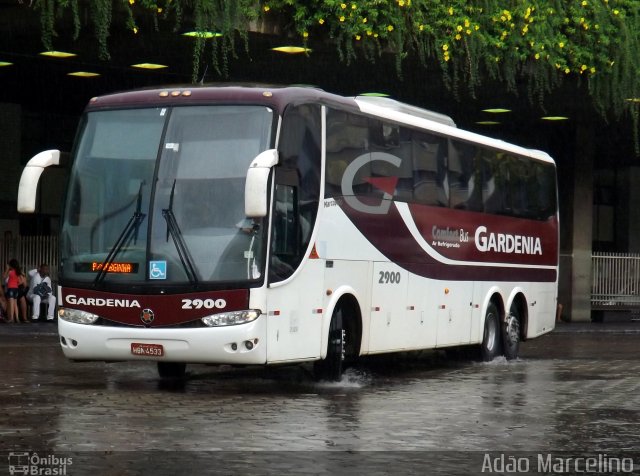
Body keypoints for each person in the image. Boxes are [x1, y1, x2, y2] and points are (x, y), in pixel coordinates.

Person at [3, 258, 21, 323]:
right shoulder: (18, 272)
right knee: (15, 304)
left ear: (11, 265)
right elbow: (19, 281)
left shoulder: (10, 272)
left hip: (10, 288)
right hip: (16, 289)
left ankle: (11, 318)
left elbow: (4, 276)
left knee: (11, 304)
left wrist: (7, 269)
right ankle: (17, 318)